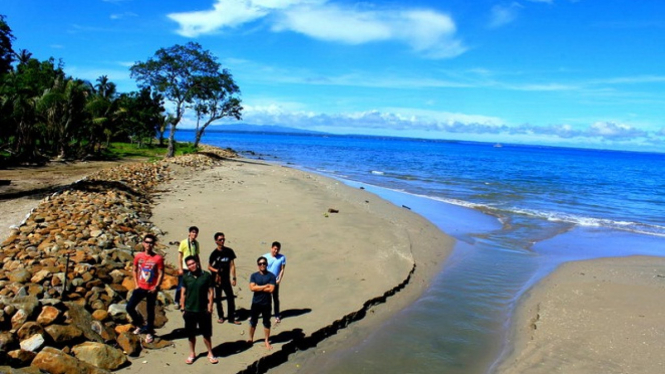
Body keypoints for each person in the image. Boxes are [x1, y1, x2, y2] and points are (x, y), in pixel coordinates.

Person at [126, 233, 164, 344]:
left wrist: (156, 286)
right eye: (146, 242)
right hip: (140, 287)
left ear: (154, 244)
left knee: (150, 311)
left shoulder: (158, 258)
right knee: (130, 307)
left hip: (151, 289)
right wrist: (136, 284)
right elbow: (134, 269)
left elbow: (161, 273)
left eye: (151, 243)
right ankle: (139, 324)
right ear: (143, 243)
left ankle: (149, 332)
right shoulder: (138, 256)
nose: (148, 245)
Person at [180, 255, 218, 365]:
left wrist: (210, 307)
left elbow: (211, 292)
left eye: (193, 263)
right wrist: (183, 308)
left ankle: (210, 353)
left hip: (203, 310)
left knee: (206, 334)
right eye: (189, 265)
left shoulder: (206, 276)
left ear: (197, 262)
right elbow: (183, 293)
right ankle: (192, 353)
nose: (191, 266)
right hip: (189, 310)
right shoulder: (186, 277)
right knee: (191, 335)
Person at [208, 232, 240, 324]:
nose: (222, 241)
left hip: (226, 279)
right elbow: (209, 267)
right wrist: (216, 271)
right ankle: (221, 316)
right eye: (220, 240)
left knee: (230, 298)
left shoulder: (229, 251)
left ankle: (231, 318)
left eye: (223, 239)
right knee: (218, 298)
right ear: (216, 241)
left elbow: (232, 265)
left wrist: (234, 278)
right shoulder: (214, 254)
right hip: (217, 279)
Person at [248, 256, 276, 350]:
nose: (262, 265)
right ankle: (250, 339)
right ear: (258, 265)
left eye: (264, 263)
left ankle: (266, 341)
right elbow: (252, 288)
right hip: (256, 303)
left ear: (267, 264)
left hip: (266, 303)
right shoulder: (254, 276)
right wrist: (264, 286)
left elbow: (271, 289)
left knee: (266, 322)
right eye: (260, 264)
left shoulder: (271, 276)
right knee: (253, 322)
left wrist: (258, 287)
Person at [175, 226, 200, 309]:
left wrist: (199, 266)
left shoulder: (196, 244)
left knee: (190, 286)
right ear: (189, 233)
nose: (194, 234)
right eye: (193, 232)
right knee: (180, 285)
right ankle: (177, 301)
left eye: (196, 232)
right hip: (185, 267)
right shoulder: (184, 242)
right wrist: (180, 268)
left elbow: (196, 255)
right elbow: (180, 255)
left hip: (193, 267)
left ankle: (186, 302)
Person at [264, 241, 286, 323]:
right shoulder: (265, 257)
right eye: (275, 249)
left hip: (275, 281)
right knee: (263, 299)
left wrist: (279, 279)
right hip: (266, 281)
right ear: (271, 248)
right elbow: (261, 269)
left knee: (275, 299)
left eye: (278, 249)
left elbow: (282, 269)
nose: (276, 251)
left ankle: (277, 315)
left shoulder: (282, 258)